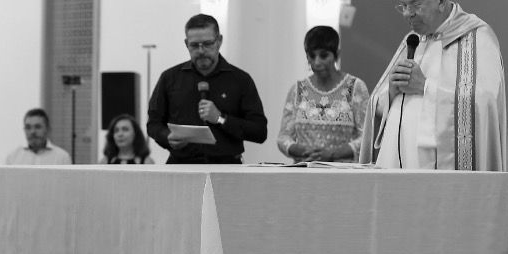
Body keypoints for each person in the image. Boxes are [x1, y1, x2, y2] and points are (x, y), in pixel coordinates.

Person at [358, 0, 506, 170]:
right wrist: (391, 91)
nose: (408, 14)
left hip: (440, 167)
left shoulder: (476, 38)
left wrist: (425, 87)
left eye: (415, 5)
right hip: (396, 163)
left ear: (441, 1)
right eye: (403, 6)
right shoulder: (412, 40)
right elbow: (377, 104)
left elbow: (485, 101)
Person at [146, 14, 268, 164]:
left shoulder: (240, 80)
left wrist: (220, 118)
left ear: (219, 41)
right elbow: (153, 124)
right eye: (194, 45)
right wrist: (167, 137)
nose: (201, 50)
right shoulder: (170, 78)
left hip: (227, 166)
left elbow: (259, 132)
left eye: (207, 44)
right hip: (181, 165)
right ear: (186, 44)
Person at [277, 26, 370, 162]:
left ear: (337, 55)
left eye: (324, 55)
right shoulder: (298, 90)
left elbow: (366, 136)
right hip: (304, 170)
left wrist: (333, 153)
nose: (317, 62)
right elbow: (283, 137)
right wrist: (303, 151)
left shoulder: (355, 87)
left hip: (342, 172)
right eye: (312, 56)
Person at [4, 109, 71, 165]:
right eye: (28, 127)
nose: (32, 131)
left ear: (48, 129)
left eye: (37, 127)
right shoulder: (13, 157)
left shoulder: (62, 158)